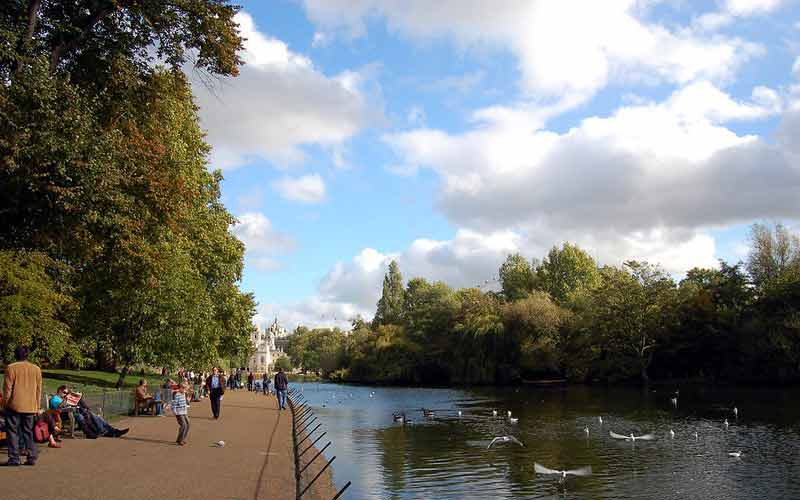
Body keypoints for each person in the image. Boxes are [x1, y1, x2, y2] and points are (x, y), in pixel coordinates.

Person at [2, 346, 42, 466]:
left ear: (15, 355)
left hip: (14, 405)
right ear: (27, 355)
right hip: (30, 405)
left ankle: (14, 457)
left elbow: (7, 390)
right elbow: (38, 390)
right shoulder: (36, 369)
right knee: (28, 431)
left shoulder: (11, 368)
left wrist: (4, 404)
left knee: (12, 432)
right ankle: (31, 456)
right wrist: (37, 406)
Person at [51, 386, 128, 438]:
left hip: (74, 412)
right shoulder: (54, 398)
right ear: (59, 391)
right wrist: (66, 400)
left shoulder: (62, 398)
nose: (65, 394)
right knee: (89, 415)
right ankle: (109, 431)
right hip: (65, 414)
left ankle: (111, 431)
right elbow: (58, 408)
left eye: (66, 393)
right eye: (64, 392)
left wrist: (73, 397)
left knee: (94, 416)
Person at [167, 381, 190, 446]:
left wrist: (188, 400)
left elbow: (189, 390)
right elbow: (174, 404)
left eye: (185, 389)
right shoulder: (177, 395)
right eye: (184, 388)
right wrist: (174, 412)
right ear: (180, 388)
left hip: (184, 411)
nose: (185, 390)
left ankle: (182, 438)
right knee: (184, 425)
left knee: (188, 424)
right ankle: (180, 440)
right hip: (179, 412)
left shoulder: (184, 393)